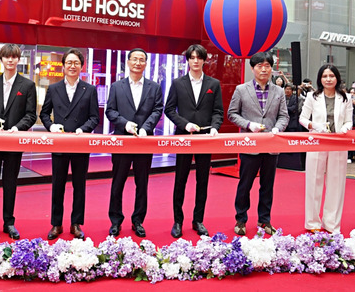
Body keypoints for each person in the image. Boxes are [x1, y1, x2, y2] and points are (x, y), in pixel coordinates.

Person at [0, 44, 36, 240]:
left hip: (14, 143)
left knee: (11, 183)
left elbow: (30, 115)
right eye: (6, 57)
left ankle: (9, 222)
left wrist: (17, 128)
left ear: (19, 60)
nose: (10, 60)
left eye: (14, 57)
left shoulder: (27, 86)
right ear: (1, 60)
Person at [39, 48, 99, 240]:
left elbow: (94, 117)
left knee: (79, 185)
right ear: (63, 66)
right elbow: (44, 114)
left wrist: (84, 129)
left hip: (81, 144)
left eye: (76, 63)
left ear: (82, 66)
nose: (72, 66)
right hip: (60, 144)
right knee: (58, 185)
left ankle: (76, 223)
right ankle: (56, 224)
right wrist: (51, 126)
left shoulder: (89, 90)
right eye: (69, 63)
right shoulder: (54, 88)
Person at [164, 44, 224, 238]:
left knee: (202, 181)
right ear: (188, 60)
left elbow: (218, 112)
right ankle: (177, 221)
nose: (196, 61)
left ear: (204, 60)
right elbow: (170, 109)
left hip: (206, 139)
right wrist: (185, 124)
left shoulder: (213, 84)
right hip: (184, 138)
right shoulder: (177, 83)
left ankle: (198, 220)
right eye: (192, 57)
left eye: (199, 57)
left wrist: (215, 127)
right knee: (180, 180)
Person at [227, 52, 289, 236]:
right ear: (252, 68)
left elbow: (284, 115)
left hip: (271, 144)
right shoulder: (241, 89)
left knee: (267, 185)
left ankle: (264, 220)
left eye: (267, 65)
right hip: (249, 144)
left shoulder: (278, 91)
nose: (264, 69)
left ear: (271, 68)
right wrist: (248, 125)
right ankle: (241, 219)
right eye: (260, 66)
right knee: (245, 184)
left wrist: (277, 129)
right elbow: (232, 114)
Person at [106, 48, 164, 238]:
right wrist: (125, 124)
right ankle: (115, 221)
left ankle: (138, 220)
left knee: (142, 183)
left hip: (144, 142)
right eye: (135, 59)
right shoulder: (116, 86)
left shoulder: (154, 87)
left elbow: (157, 110)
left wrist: (146, 128)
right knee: (118, 183)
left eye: (142, 60)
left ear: (146, 64)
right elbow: (111, 111)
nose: (138, 63)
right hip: (122, 141)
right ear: (128, 62)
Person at [299, 65, 352, 234]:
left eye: (331, 76)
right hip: (317, 141)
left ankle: (332, 224)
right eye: (324, 76)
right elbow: (302, 118)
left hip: (338, 143)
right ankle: (312, 222)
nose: (328, 79)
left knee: (336, 184)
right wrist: (314, 125)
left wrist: (344, 129)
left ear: (337, 78)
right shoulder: (311, 97)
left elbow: (349, 121)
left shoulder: (346, 98)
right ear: (320, 79)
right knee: (313, 181)